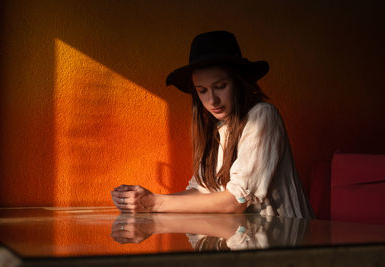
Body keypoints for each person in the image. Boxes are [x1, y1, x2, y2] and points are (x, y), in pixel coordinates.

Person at [111, 31, 314, 218]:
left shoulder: (262, 116)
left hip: (286, 242)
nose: (212, 100)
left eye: (220, 86)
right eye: (202, 90)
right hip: (243, 241)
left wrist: (154, 203)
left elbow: (237, 201)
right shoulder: (216, 128)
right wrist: (143, 199)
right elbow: (200, 191)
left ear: (239, 82)